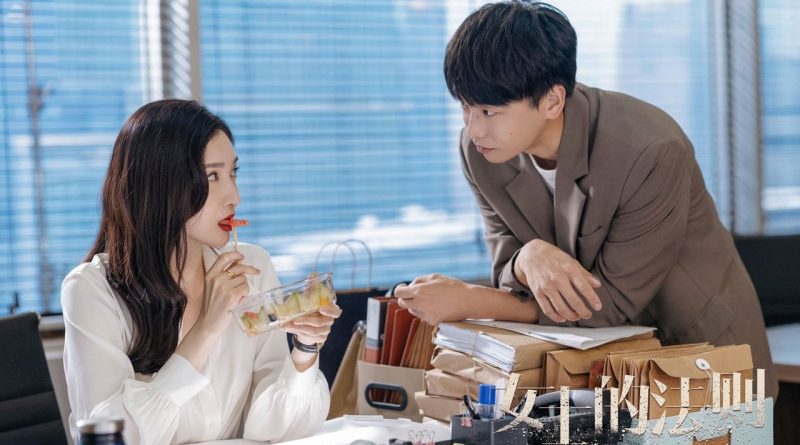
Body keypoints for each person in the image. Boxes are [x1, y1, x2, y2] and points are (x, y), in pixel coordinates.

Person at [394, 0, 777, 398]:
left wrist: (473, 302)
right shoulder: (481, 153)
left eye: (489, 111)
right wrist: (528, 258)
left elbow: (608, 304)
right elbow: (507, 268)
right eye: (465, 107)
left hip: (700, 357)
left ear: (552, 101)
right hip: (594, 366)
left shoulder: (649, 150)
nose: (474, 128)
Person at [61, 99, 341, 444]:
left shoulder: (250, 267)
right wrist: (208, 327)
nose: (234, 196)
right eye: (212, 176)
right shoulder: (91, 291)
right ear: (161, 185)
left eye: (233, 173)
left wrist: (305, 349)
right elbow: (113, 436)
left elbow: (276, 429)